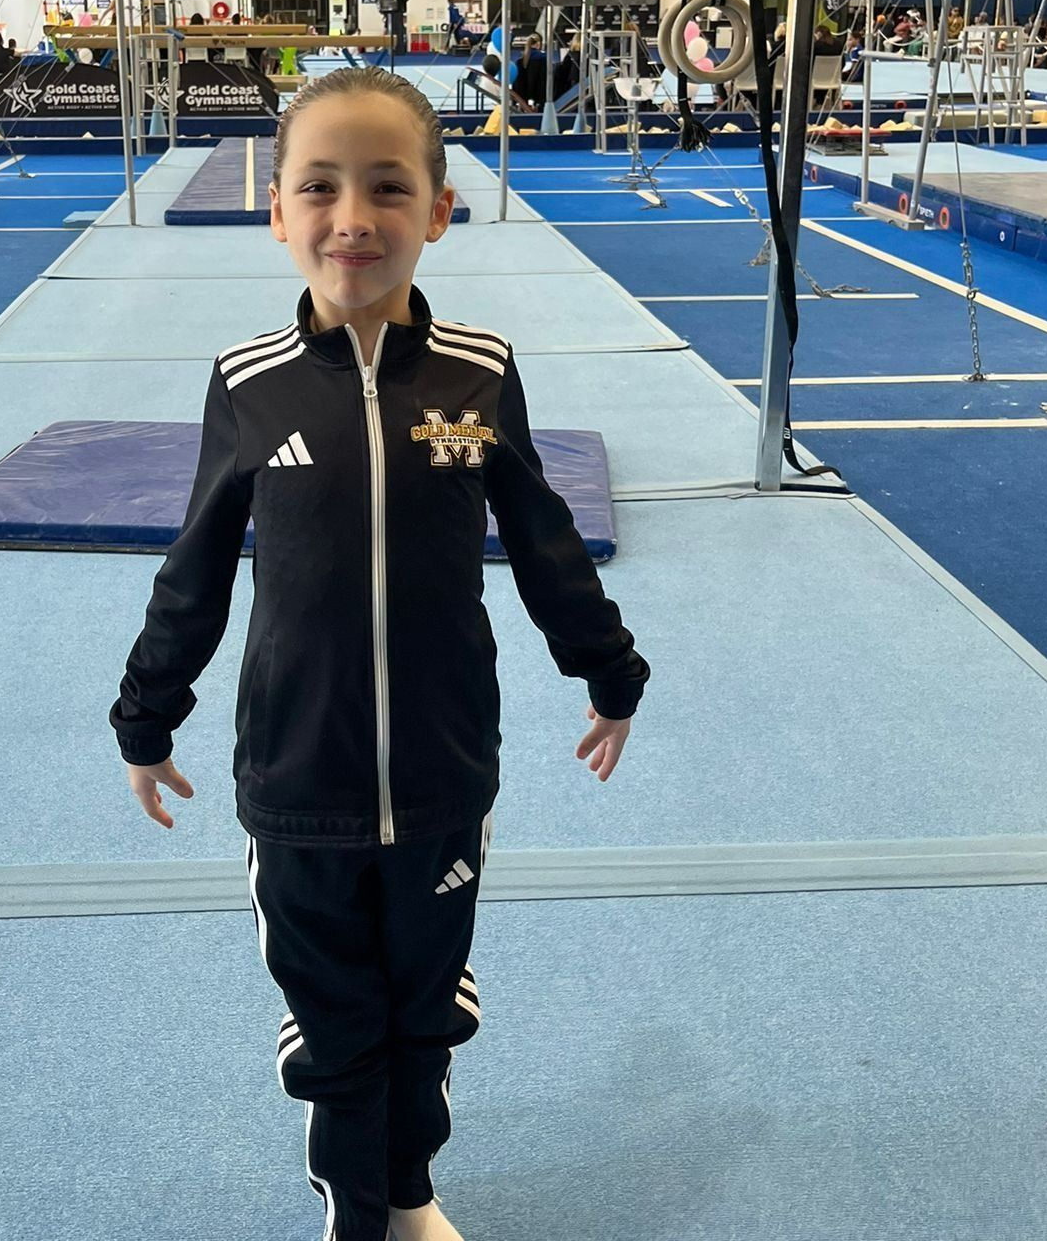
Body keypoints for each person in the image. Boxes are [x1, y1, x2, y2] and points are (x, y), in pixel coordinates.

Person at [110, 66, 649, 1241]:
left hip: (446, 778)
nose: (352, 218)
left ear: (440, 211)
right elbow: (197, 565)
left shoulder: (479, 372)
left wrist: (610, 672)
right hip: (298, 787)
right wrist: (145, 718)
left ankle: (408, 1192)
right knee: (335, 1022)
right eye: (319, 188)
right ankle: (357, 1217)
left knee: (426, 1009)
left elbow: (545, 540)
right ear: (279, 214)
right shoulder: (248, 386)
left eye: (388, 189)